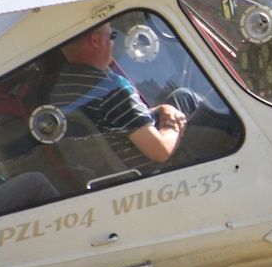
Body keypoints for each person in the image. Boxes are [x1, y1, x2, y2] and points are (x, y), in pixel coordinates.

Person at [50, 22, 191, 174]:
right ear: (95, 40)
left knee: (181, 96)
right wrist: (173, 124)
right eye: (112, 36)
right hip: (153, 170)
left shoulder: (59, 90)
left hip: (110, 168)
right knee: (190, 100)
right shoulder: (112, 88)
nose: (114, 43)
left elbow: (119, 119)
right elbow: (160, 151)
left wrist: (162, 109)